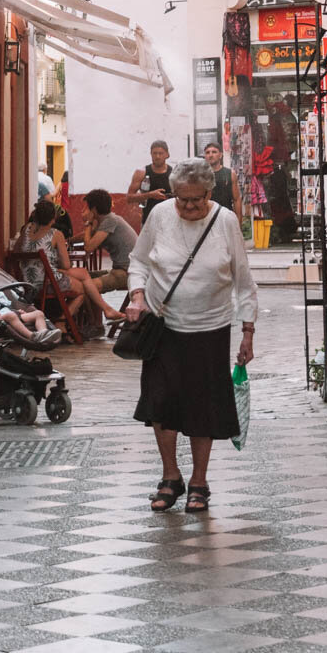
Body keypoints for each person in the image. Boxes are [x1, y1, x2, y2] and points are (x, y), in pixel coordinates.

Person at [125, 157, 257, 515]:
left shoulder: (225, 222)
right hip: (163, 326)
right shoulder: (161, 216)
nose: (188, 207)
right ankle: (171, 476)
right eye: (182, 199)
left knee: (203, 406)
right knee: (159, 402)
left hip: (209, 328)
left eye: (196, 200)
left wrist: (247, 331)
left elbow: (244, 281)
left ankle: (199, 481)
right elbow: (137, 261)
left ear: (209, 193)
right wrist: (138, 295)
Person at [13, 199, 124, 331]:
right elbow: (66, 265)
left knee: (82, 273)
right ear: (52, 219)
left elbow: (16, 251)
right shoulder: (55, 234)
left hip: (27, 284)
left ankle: (104, 313)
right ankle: (63, 321)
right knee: (83, 288)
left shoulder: (26, 229)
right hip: (47, 283)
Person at [0, 255, 61, 347]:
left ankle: (43, 334)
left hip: (11, 315)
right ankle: (32, 336)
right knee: (11, 315)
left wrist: (17, 311)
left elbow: (7, 305)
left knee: (38, 313)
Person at [81, 189, 136, 299]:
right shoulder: (107, 220)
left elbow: (88, 247)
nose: (83, 210)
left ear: (94, 209)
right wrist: (68, 240)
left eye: (86, 207)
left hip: (127, 273)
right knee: (84, 276)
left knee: (84, 286)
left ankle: (91, 315)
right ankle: (93, 316)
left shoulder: (110, 220)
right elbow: (88, 236)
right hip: (120, 270)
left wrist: (88, 223)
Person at [130, 140, 173, 224]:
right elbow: (129, 198)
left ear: (167, 155)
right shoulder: (141, 173)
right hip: (148, 221)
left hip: (169, 221)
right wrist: (150, 195)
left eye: (161, 153)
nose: (157, 156)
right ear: (151, 154)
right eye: (154, 153)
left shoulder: (174, 173)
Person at [202, 141, 243, 225]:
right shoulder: (200, 175)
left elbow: (236, 199)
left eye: (214, 152)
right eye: (207, 152)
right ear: (205, 156)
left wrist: (238, 223)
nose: (210, 155)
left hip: (225, 218)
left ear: (220, 155)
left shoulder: (230, 173)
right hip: (206, 219)